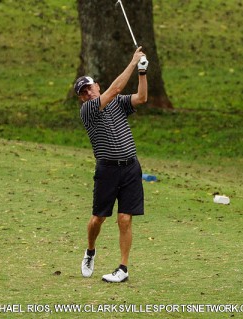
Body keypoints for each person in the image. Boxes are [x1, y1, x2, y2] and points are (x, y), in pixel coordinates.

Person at [74, 47, 149, 283]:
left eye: (89, 88)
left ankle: (123, 269)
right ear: (81, 98)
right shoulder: (88, 110)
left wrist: (143, 73)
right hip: (107, 170)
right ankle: (90, 250)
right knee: (98, 219)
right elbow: (115, 88)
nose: (87, 93)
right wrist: (133, 61)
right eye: (83, 92)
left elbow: (142, 98)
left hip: (130, 167)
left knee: (125, 219)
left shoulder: (117, 103)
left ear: (97, 85)